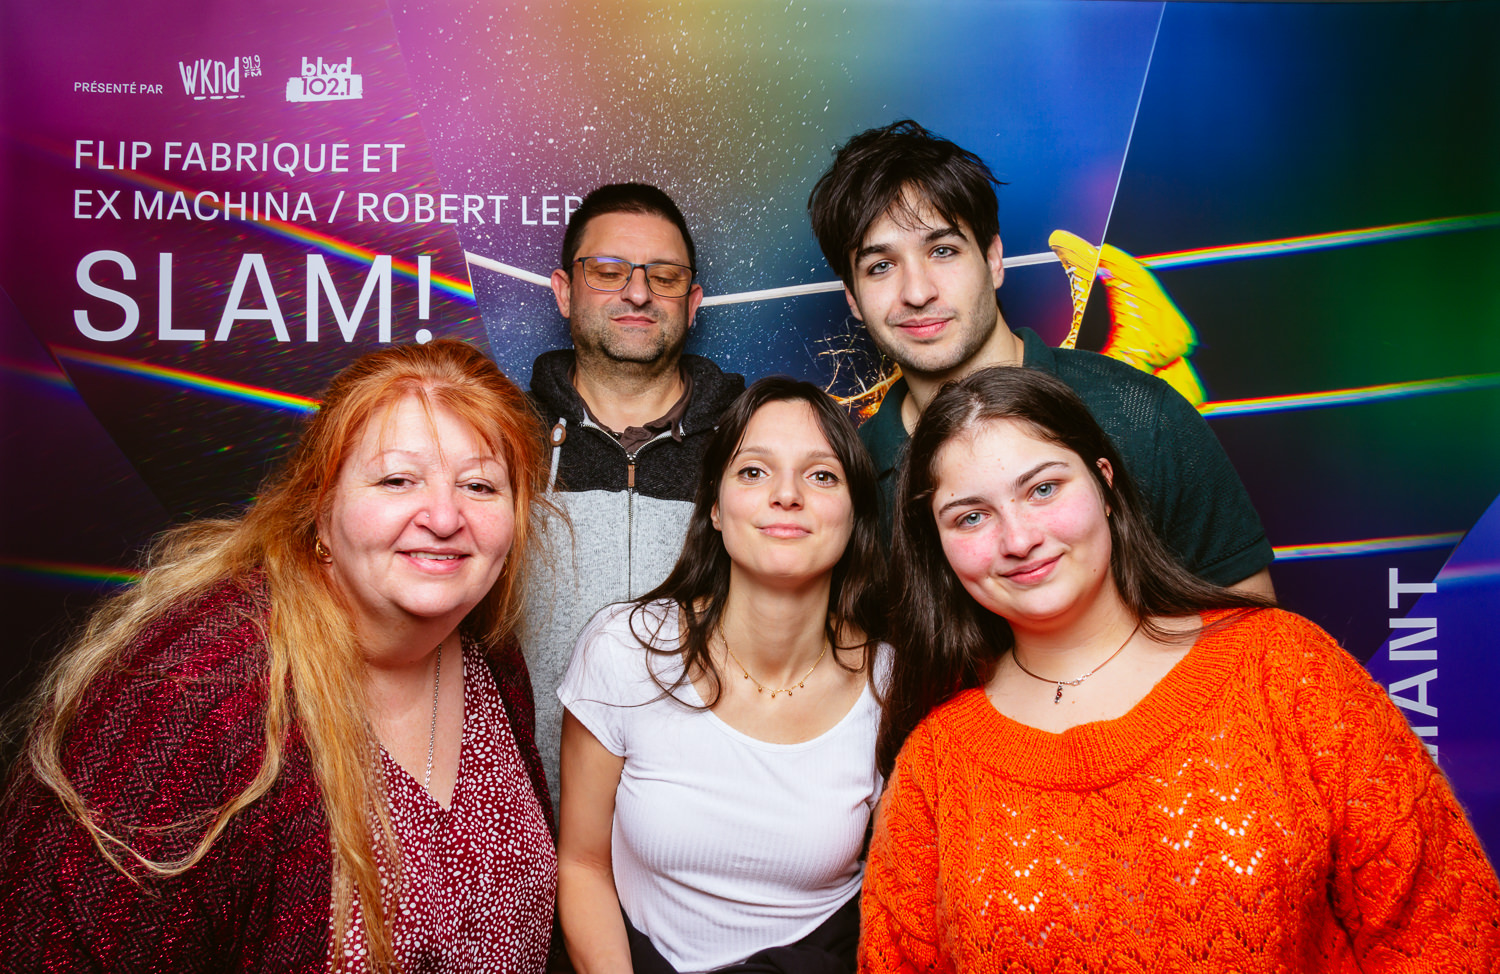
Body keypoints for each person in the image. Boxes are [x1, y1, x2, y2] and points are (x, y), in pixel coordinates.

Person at [861, 366, 1500, 972]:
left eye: (1044, 489)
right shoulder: (934, 769)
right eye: (971, 517)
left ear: (1106, 485)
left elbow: (1444, 930)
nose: (1019, 539)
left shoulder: (1282, 667)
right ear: (938, 546)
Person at [0, 341, 558, 972]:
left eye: (479, 486)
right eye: (397, 479)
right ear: (320, 504)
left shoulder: (488, 652)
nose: (445, 517)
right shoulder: (194, 692)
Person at [807, 119, 1274, 595]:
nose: (918, 291)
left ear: (993, 260)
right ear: (852, 297)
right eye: (881, 266)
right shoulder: (849, 481)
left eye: (943, 250)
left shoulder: (1140, 415)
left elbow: (1256, 630)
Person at [556, 378, 886, 974]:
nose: (786, 495)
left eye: (821, 476)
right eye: (754, 471)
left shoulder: (892, 685)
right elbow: (581, 865)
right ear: (713, 505)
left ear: (855, 511)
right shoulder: (623, 652)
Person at [525, 182, 746, 808]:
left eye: (665, 276)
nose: (639, 292)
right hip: (526, 826)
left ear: (692, 302)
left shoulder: (753, 443)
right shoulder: (499, 437)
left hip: (702, 823)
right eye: (608, 271)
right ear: (564, 291)